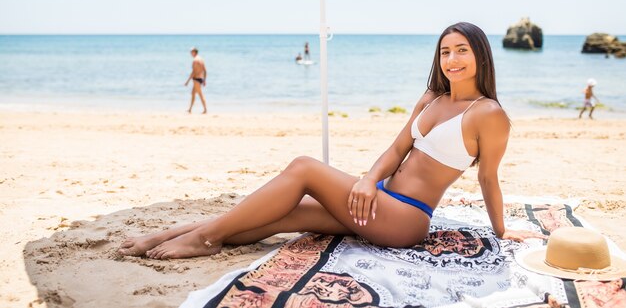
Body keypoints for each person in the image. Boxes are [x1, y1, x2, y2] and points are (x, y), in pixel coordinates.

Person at [119, 22, 544, 260]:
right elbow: (397, 149)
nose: (451, 59)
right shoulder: (431, 97)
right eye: (445, 51)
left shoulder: (488, 114)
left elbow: (489, 177)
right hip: (376, 197)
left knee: (304, 167)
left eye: (462, 50)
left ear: (480, 56)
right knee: (284, 216)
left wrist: (502, 230)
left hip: (406, 219)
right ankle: (168, 235)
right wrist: (365, 181)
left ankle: (201, 239)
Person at [184, 47, 207, 114]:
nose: (190, 53)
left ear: (194, 52)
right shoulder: (201, 59)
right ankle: (190, 109)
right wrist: (204, 80)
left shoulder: (195, 60)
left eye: (191, 52)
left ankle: (205, 110)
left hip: (196, 79)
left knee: (200, 94)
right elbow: (205, 71)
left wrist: (187, 81)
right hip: (200, 79)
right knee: (193, 93)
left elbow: (193, 72)